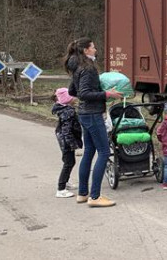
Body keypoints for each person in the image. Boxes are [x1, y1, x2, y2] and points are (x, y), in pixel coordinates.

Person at [64, 37, 123, 207]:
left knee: (89, 151)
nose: (95, 50)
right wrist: (107, 94)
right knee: (104, 152)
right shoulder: (88, 68)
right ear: (85, 50)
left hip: (84, 114)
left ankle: (83, 193)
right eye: (93, 47)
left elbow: (71, 90)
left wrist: (98, 91)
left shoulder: (76, 67)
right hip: (93, 114)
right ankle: (95, 196)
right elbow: (83, 93)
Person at [52, 87, 82, 198]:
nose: (75, 98)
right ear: (68, 99)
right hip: (66, 141)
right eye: (73, 96)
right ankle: (61, 189)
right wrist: (72, 145)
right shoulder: (68, 112)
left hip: (63, 139)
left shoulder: (64, 109)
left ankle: (66, 183)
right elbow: (66, 130)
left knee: (69, 161)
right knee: (68, 163)